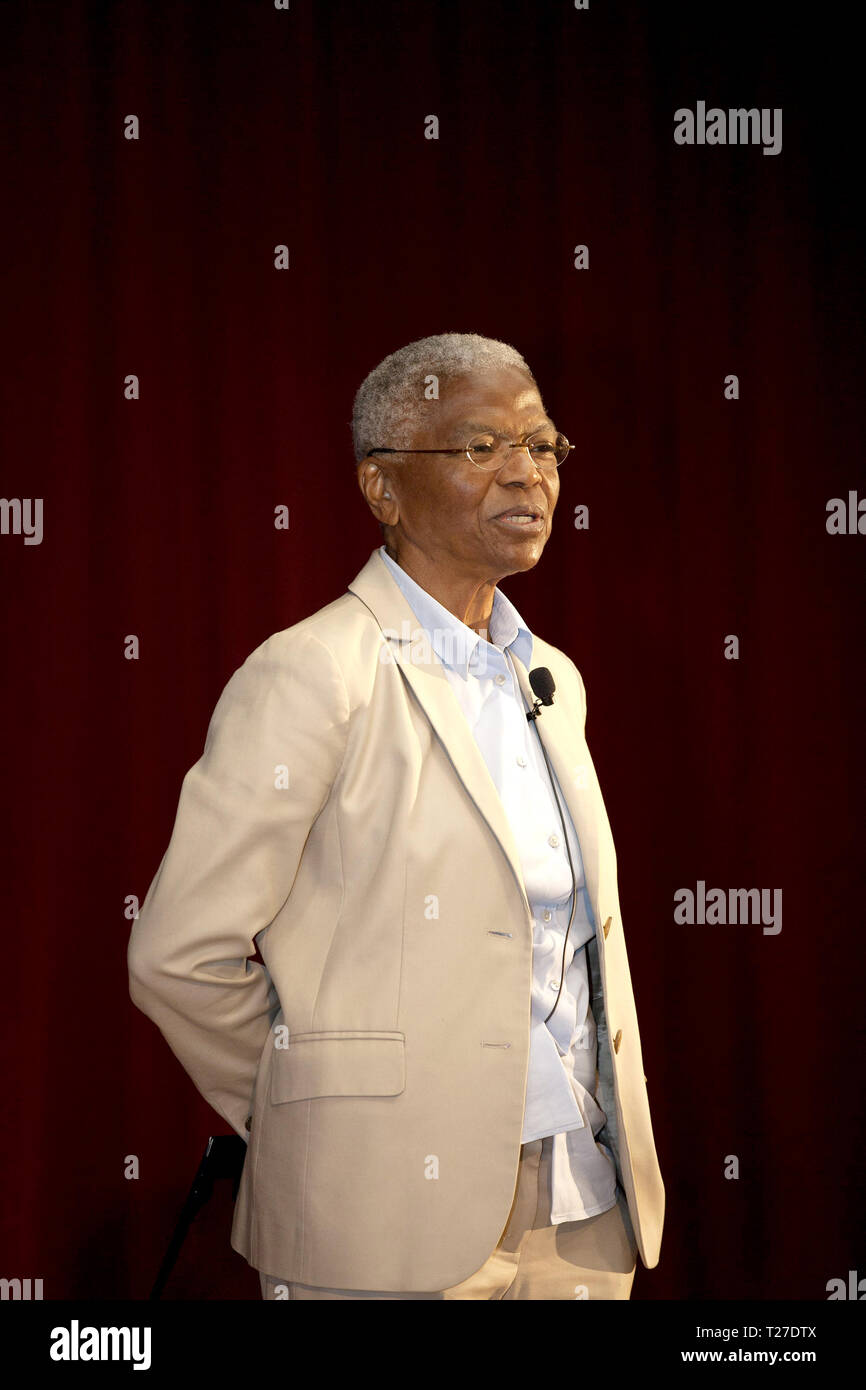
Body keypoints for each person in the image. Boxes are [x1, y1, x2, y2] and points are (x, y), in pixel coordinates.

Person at [127, 332, 664, 1300]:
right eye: (479, 448)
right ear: (381, 488)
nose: (526, 475)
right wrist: (332, 1119)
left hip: (580, 1208)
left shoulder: (552, 677)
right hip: (380, 1216)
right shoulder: (313, 671)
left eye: (542, 447)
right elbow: (179, 955)